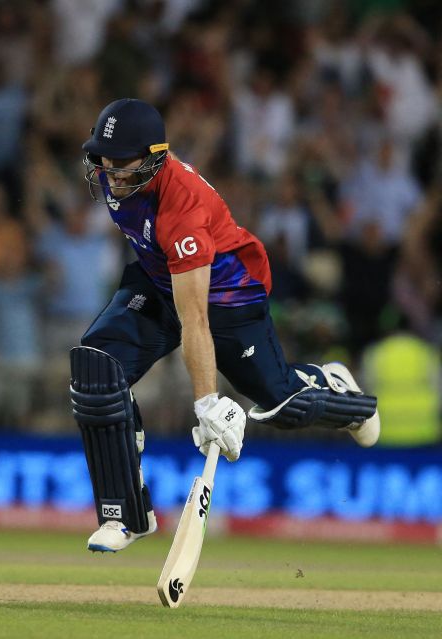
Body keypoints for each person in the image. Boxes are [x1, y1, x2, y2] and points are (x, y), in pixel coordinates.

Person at [70, 99, 379, 553]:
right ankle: (124, 515)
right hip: (160, 278)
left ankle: (333, 387)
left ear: (155, 159)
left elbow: (195, 318)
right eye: (105, 162)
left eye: (124, 166)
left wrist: (207, 403)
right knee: (98, 370)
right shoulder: (117, 174)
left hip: (229, 295)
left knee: (281, 405)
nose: (112, 175)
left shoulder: (184, 211)